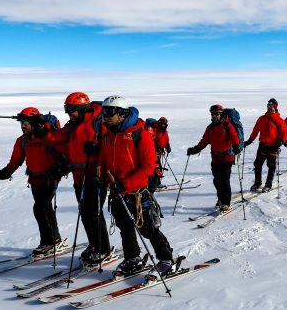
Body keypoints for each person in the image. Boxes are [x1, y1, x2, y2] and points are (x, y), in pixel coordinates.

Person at [98, 96, 175, 275]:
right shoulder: (109, 135)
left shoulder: (141, 134)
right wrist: (101, 175)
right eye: (104, 112)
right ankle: (132, 258)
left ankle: (166, 259)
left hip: (136, 192)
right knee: (124, 227)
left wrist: (124, 184)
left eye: (110, 112)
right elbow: (104, 159)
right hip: (117, 192)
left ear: (122, 114)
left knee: (147, 228)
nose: (106, 116)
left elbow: (148, 167)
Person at [0, 107, 64, 256]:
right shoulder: (22, 141)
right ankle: (55, 239)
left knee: (40, 209)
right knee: (45, 208)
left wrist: (59, 170)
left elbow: (64, 152)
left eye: (27, 122)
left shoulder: (48, 136)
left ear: (36, 123)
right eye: (22, 122)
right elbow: (14, 163)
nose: (23, 125)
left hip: (50, 178)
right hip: (35, 180)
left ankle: (48, 243)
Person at [55, 92, 112, 266]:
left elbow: (110, 144)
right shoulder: (72, 125)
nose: (68, 113)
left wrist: (97, 150)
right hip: (79, 177)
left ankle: (103, 248)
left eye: (71, 109)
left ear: (81, 108)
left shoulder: (98, 121)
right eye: (66, 109)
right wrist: (43, 127)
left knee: (94, 212)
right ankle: (94, 245)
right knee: (85, 212)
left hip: (96, 175)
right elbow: (56, 138)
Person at [186, 104, 241, 212]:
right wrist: (196, 149)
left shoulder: (227, 125)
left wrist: (236, 146)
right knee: (217, 181)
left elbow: (234, 137)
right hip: (215, 158)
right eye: (213, 114)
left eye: (216, 114)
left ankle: (225, 203)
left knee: (225, 180)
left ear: (221, 114)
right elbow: (204, 141)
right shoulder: (210, 128)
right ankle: (220, 199)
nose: (214, 116)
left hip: (227, 157)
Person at [244, 98, 287, 191]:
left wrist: (282, 141)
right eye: (268, 105)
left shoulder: (279, 120)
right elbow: (255, 131)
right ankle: (257, 183)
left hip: (273, 146)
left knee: (271, 166)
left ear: (276, 107)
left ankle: (268, 185)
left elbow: (285, 132)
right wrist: (249, 141)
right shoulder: (261, 119)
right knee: (257, 165)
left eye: (272, 106)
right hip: (262, 146)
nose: (270, 107)